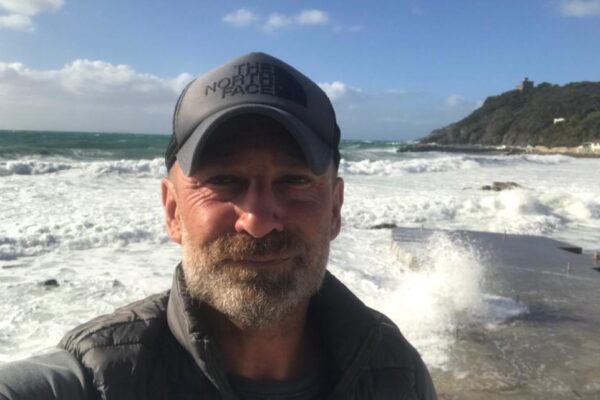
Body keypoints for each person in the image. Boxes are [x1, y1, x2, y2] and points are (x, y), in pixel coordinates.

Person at [0, 52, 437, 400]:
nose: (258, 221)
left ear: (335, 208)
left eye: (295, 180)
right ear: (173, 211)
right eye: (224, 181)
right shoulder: (100, 378)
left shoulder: (395, 372)